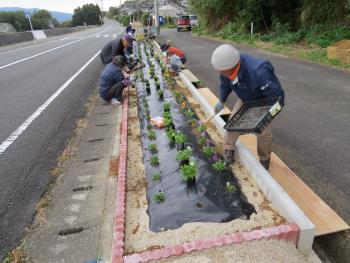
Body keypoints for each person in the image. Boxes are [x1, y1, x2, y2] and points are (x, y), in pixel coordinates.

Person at [211, 44, 285, 170]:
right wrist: (221, 101)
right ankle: (229, 148)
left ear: (232, 66)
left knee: (263, 133)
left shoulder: (259, 71)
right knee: (233, 122)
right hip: (245, 98)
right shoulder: (225, 70)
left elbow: (278, 98)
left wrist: (267, 117)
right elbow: (225, 86)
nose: (220, 73)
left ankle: (264, 160)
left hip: (265, 101)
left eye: (222, 71)